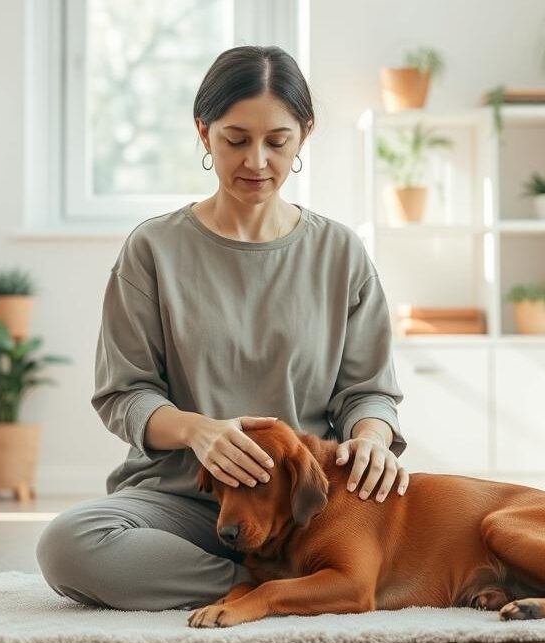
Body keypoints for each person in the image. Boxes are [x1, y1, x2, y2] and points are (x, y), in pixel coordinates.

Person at [36, 45, 408, 611]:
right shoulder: (153, 249)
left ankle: (301, 579)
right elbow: (124, 395)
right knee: (68, 546)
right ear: (202, 131)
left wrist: (373, 440)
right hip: (183, 501)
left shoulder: (339, 252)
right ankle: (284, 587)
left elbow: (369, 392)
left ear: (304, 136)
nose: (256, 161)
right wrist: (197, 432)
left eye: (277, 142)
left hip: (303, 507)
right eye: (236, 139)